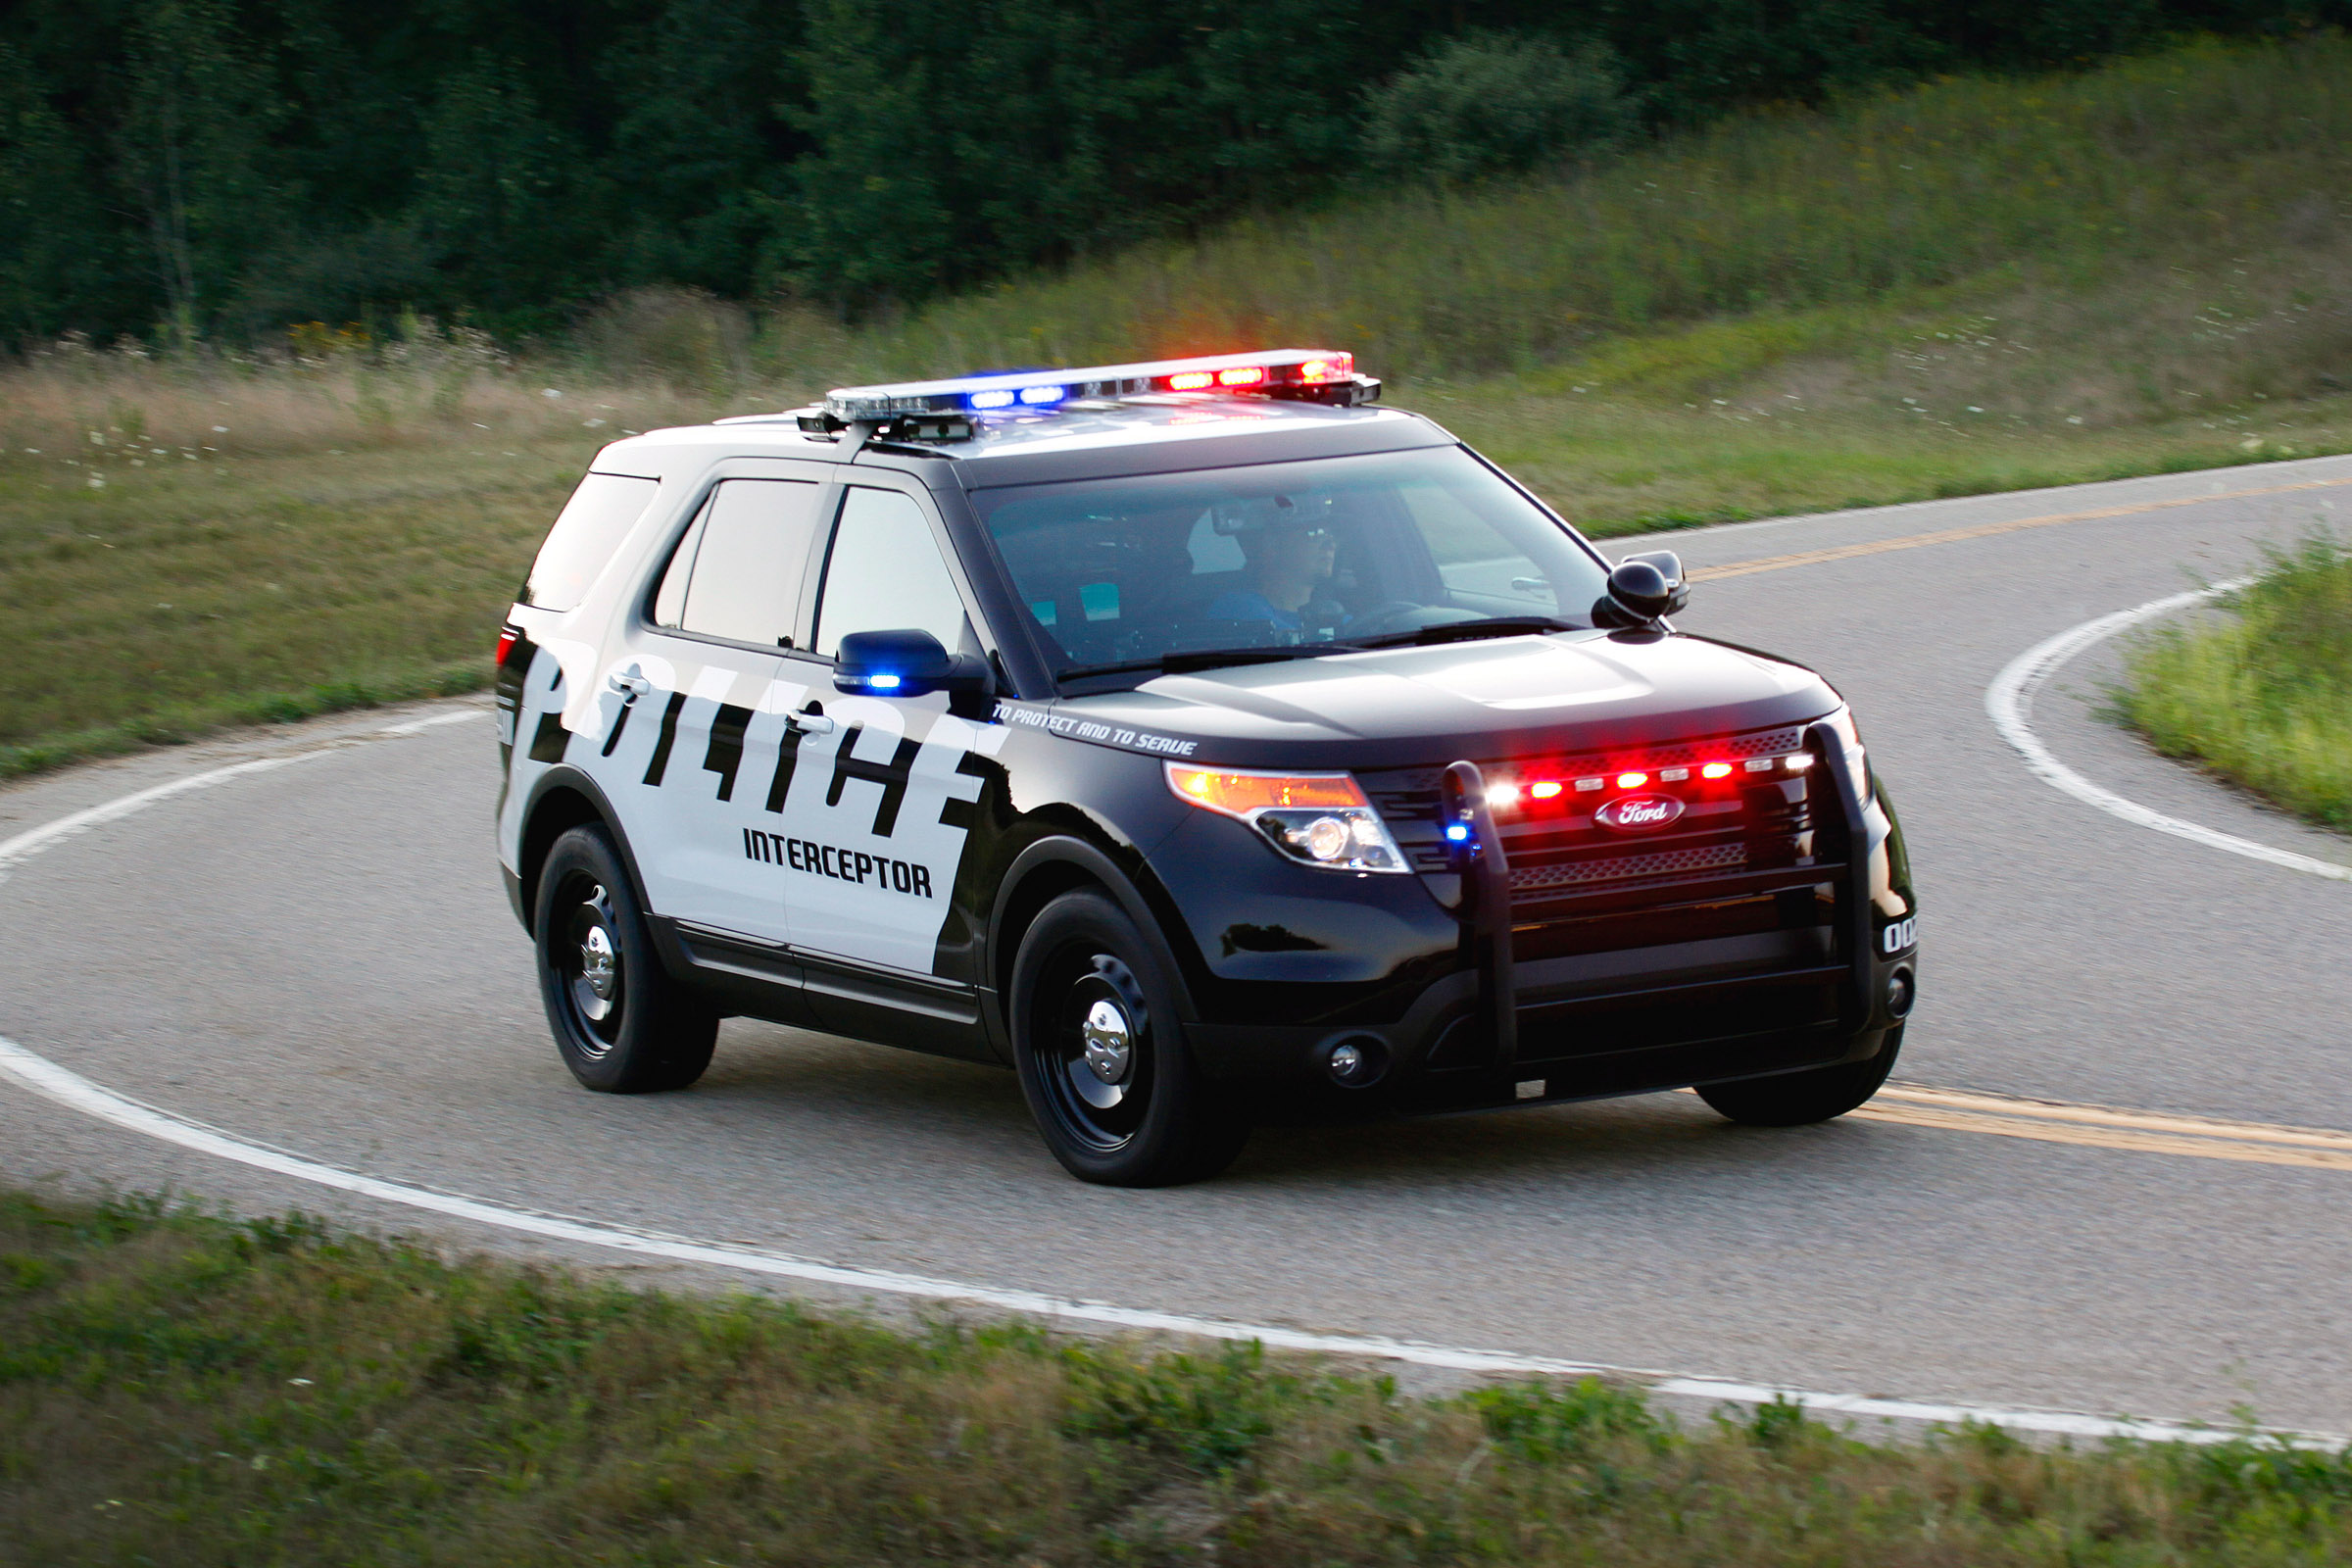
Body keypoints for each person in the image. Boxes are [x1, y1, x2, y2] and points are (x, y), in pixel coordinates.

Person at [1204, 512, 1338, 635]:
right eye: (1314, 533)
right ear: (1272, 546)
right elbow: (1292, 646)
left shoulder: (1337, 616)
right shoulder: (1236, 607)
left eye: (1330, 534)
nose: (1330, 544)